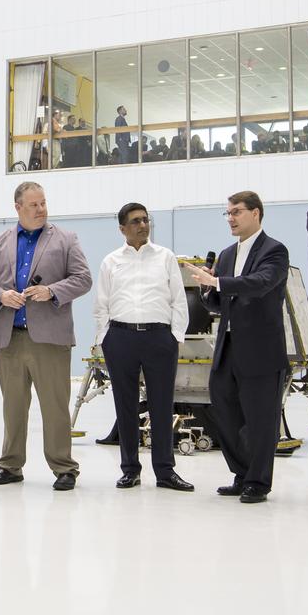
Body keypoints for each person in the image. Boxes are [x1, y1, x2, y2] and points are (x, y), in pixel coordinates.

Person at [0, 181, 91, 490]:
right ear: (18, 208)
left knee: (55, 407)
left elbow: (83, 279)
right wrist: (1, 296)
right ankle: (10, 465)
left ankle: (64, 467)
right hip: (10, 338)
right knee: (12, 407)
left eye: (44, 203)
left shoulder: (66, 239)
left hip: (50, 340)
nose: (41, 210)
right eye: (34, 205)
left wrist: (51, 291)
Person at [183, 191, 289, 504]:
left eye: (237, 212)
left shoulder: (275, 251)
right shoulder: (228, 255)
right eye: (227, 213)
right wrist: (207, 291)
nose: (230, 218)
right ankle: (241, 473)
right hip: (228, 347)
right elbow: (220, 303)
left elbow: (259, 284)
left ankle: (258, 481)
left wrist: (218, 283)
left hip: (261, 349)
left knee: (260, 419)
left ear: (256, 213)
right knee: (222, 408)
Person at [92, 203, 192, 491]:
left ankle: (165, 471)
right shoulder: (111, 261)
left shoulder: (165, 257)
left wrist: (176, 337)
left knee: (162, 405)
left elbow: (178, 300)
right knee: (125, 406)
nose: (143, 225)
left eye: (146, 220)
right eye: (136, 221)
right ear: (122, 228)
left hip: (159, 338)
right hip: (120, 338)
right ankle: (130, 469)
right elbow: (101, 303)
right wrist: (104, 338)